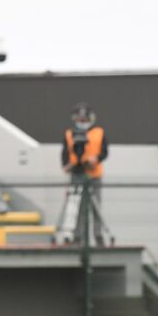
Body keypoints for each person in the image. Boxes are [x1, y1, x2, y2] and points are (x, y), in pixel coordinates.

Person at [61, 102, 109, 246]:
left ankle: (98, 236)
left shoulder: (99, 132)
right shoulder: (69, 133)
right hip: (76, 175)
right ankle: (76, 237)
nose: (82, 121)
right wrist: (67, 165)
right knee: (77, 208)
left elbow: (105, 151)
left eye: (84, 118)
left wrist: (95, 159)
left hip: (94, 174)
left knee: (95, 207)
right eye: (79, 118)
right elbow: (64, 154)